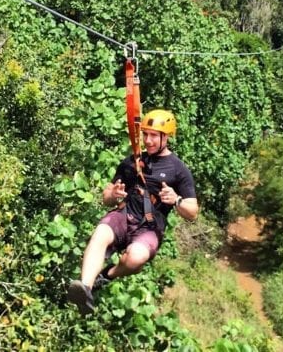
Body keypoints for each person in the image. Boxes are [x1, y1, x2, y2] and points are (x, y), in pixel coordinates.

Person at [67, 109, 198, 315]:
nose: (148, 140)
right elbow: (106, 196)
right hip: (124, 214)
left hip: (149, 227)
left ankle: (107, 276)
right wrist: (114, 194)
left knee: (135, 257)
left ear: (166, 137)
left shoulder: (178, 169)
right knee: (101, 233)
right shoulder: (132, 162)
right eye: (145, 134)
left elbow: (192, 212)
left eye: (153, 135)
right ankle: (85, 288)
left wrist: (177, 199)